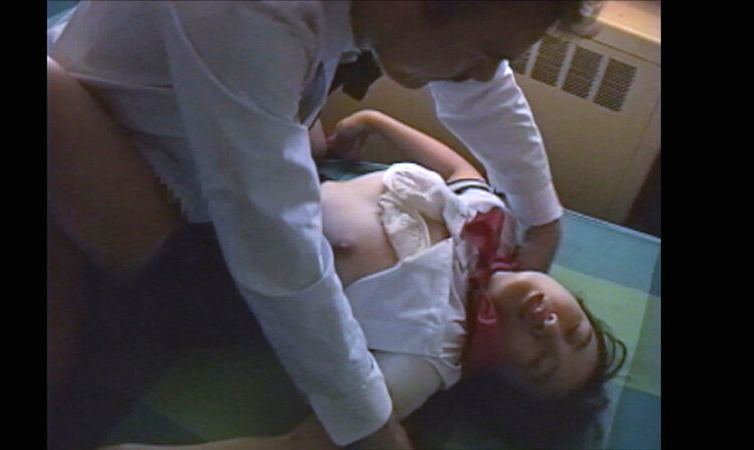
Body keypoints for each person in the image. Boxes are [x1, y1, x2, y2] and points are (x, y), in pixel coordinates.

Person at [47, 2, 604, 448]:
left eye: (540, 360)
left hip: (199, 254)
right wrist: (362, 417)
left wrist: (543, 218)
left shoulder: (434, 352)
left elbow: (481, 88)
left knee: (308, 141)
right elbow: (271, 228)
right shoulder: (248, 14)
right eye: (483, 53)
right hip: (172, 183)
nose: (483, 72)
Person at [99, 109, 626, 450]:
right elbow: (460, 169)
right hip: (276, 181)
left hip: (203, 267)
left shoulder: (428, 357)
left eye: (539, 361)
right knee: (298, 110)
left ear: (494, 374)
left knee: (66, 100)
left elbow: (304, 443)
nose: (550, 329)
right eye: (575, 330)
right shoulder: (494, 228)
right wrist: (375, 121)